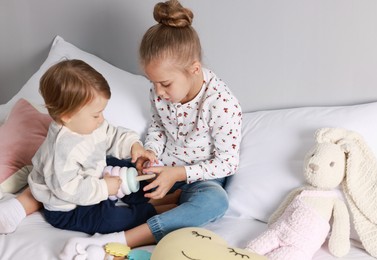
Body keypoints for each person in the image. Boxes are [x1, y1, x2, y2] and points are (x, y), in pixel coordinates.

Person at [60, 0, 242, 258]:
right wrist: (150, 153)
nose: (158, 92)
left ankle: (122, 238)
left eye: (165, 84)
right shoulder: (159, 92)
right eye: (152, 83)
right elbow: (158, 126)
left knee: (215, 202)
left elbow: (227, 163)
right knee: (91, 155)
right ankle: (42, 194)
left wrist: (177, 174)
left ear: (194, 69)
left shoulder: (222, 104)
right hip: (157, 173)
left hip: (197, 180)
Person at [0, 59, 179, 235]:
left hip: (93, 174)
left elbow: (112, 134)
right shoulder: (62, 150)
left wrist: (134, 145)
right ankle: (151, 211)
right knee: (110, 220)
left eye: (101, 112)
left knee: (127, 166)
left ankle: (149, 195)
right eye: (96, 115)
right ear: (67, 116)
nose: (101, 119)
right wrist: (103, 188)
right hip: (70, 207)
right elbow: (68, 189)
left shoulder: (89, 124)